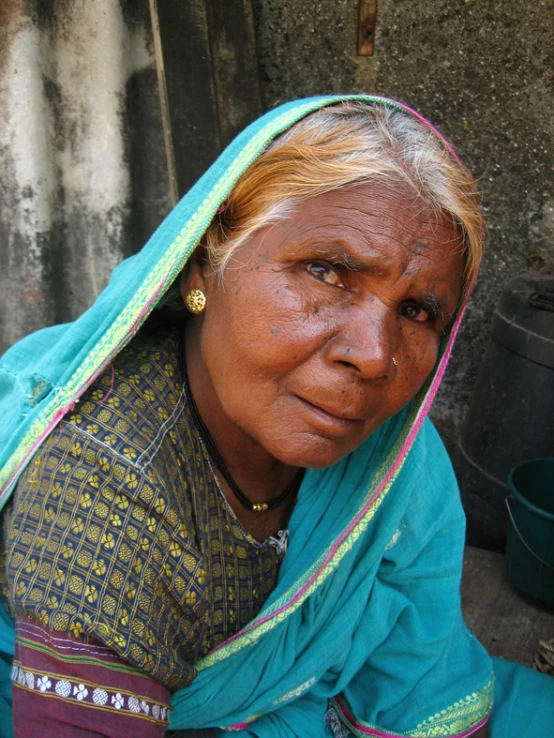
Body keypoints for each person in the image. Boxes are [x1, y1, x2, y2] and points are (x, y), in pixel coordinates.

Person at [0, 95, 552, 738]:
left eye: (417, 312)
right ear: (207, 258)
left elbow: (423, 669)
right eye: (325, 271)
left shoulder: (396, 462)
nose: (375, 357)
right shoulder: (103, 484)